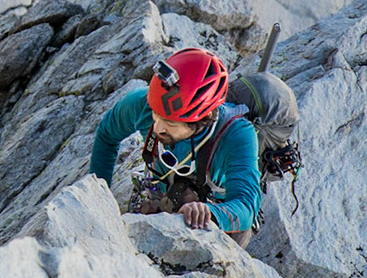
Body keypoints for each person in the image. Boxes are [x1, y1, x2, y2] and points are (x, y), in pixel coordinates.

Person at [88, 45, 261, 245]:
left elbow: (246, 207)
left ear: (202, 120)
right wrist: (100, 197)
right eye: (155, 115)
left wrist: (209, 212)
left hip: (215, 205)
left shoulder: (237, 135)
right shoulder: (145, 103)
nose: (158, 128)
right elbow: (107, 134)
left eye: (170, 123)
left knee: (238, 235)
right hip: (164, 188)